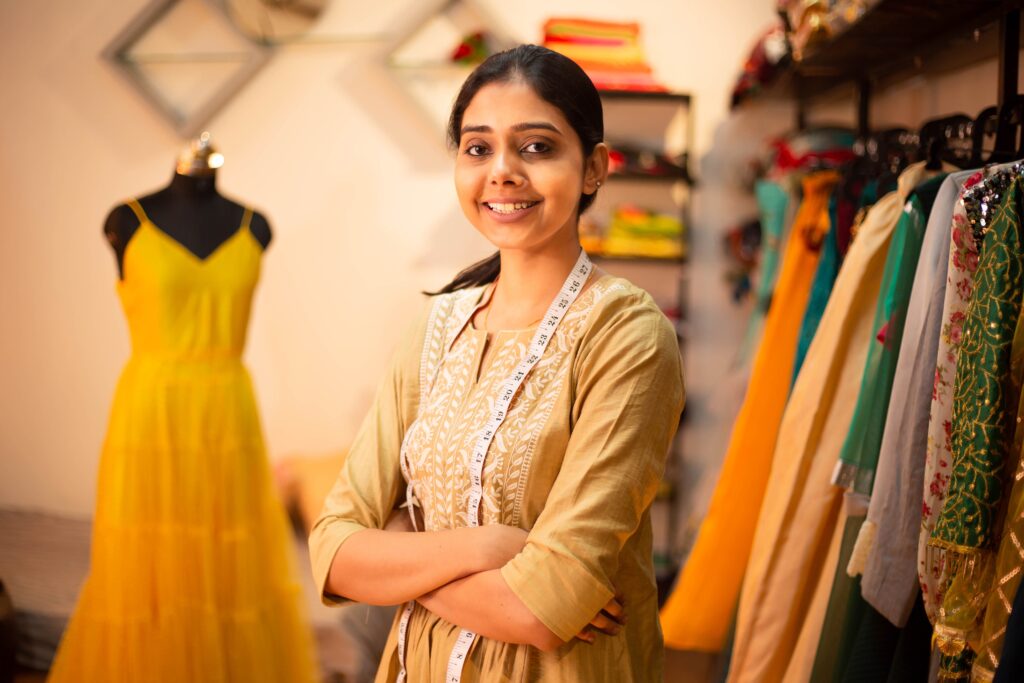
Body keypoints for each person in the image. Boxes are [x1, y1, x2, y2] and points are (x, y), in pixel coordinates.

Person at [309, 44, 685, 682]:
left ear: (594, 168)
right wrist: (483, 548)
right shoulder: (436, 328)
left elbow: (543, 607)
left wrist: (400, 557)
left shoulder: (627, 334)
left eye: (537, 147)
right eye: (478, 148)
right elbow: (332, 548)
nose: (503, 172)